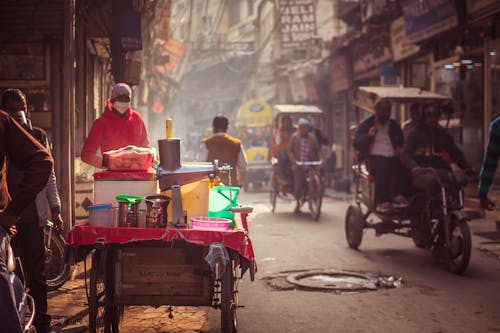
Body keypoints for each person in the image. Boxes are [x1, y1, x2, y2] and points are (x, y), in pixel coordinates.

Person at [1, 89, 60, 333]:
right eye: (12, 108)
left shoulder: (36, 135)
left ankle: (42, 323)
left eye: (21, 107)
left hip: (27, 216)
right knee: (15, 277)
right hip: (9, 221)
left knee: (37, 275)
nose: (17, 112)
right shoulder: (6, 132)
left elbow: (47, 171)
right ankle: (21, 317)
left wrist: (55, 207)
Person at [402, 104, 473, 197]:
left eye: (435, 115)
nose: (432, 118)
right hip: (422, 171)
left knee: (458, 181)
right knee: (431, 182)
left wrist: (466, 167)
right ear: (423, 116)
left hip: (441, 170)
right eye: (429, 115)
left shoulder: (443, 134)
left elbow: (455, 152)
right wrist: (414, 167)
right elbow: (406, 154)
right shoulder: (414, 134)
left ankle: (455, 208)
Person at [81, 83, 150, 168]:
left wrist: (147, 158)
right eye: (119, 100)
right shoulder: (101, 123)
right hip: (110, 177)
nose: (122, 104)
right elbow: (87, 155)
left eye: (126, 100)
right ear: (112, 100)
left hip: (136, 175)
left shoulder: (137, 119)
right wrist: (107, 162)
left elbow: (146, 147)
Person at [354, 100, 406, 213]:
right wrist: (368, 136)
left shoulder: (394, 125)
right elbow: (357, 143)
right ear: (377, 111)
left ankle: (399, 196)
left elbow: (401, 140)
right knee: (383, 166)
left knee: (405, 167)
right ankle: (383, 201)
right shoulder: (367, 124)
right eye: (382, 110)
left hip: (392, 157)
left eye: (387, 111)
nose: (385, 113)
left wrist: (400, 148)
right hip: (373, 158)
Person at [197, 115, 247, 187]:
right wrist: (240, 182)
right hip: (231, 187)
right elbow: (243, 167)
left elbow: (200, 164)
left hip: (211, 186)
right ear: (227, 128)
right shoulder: (236, 144)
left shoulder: (206, 143)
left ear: (213, 128)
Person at [287, 118, 321, 213]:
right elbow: (289, 151)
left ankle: (315, 199)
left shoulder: (312, 138)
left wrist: (319, 162)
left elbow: (317, 150)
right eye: (302, 127)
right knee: (298, 183)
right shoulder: (294, 137)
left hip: (310, 164)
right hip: (298, 165)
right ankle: (298, 202)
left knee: (318, 180)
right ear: (300, 128)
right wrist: (294, 162)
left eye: (306, 127)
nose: (304, 129)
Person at [478, 116, 500, 210]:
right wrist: (482, 194)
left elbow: (489, 164)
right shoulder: (497, 126)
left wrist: (482, 193)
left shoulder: (497, 126)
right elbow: (489, 164)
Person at [270, 115, 295, 182]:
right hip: (281, 152)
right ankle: (284, 176)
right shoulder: (278, 130)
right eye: (285, 121)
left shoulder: (295, 130)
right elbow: (276, 142)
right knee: (282, 157)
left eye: (288, 121)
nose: (287, 123)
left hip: (293, 151)